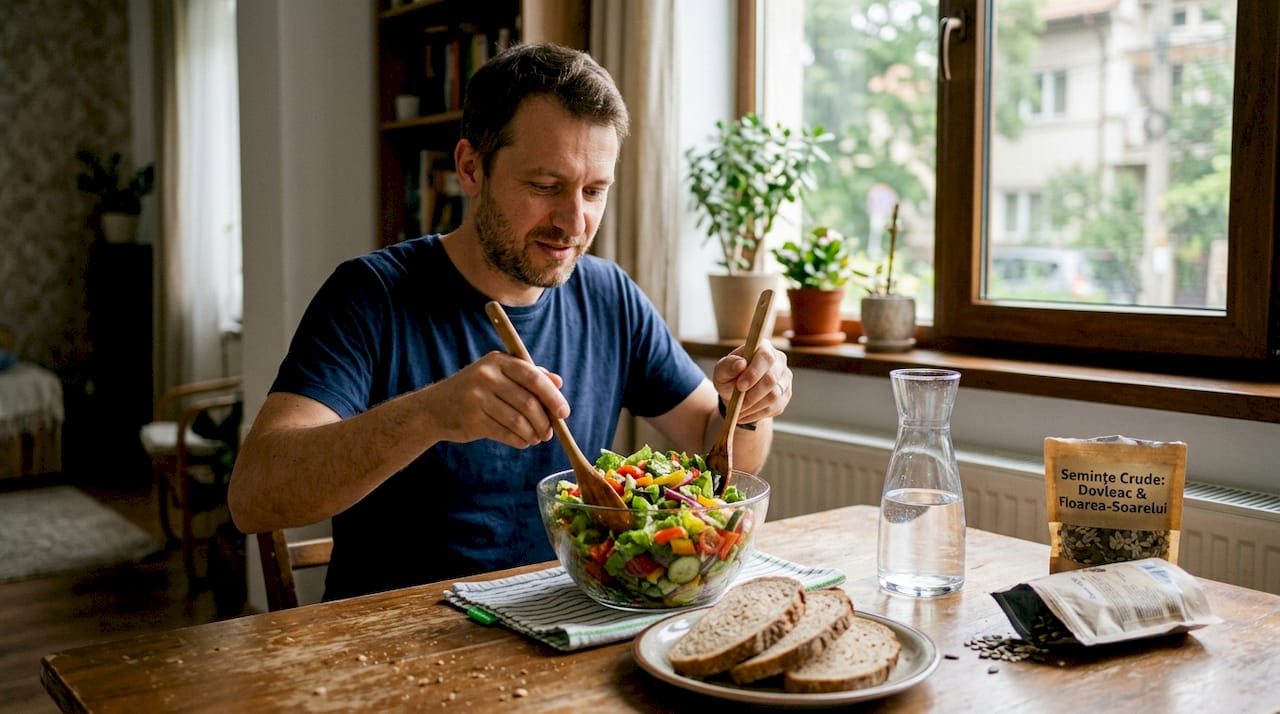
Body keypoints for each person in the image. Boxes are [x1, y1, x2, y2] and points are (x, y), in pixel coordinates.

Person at [227, 43, 793, 601]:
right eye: (545, 187)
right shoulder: (372, 295)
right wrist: (430, 415)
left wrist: (745, 407)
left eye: (594, 191)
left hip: (565, 623)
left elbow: (722, 452)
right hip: (398, 645)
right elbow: (254, 497)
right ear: (470, 168)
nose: (575, 221)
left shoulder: (609, 295)